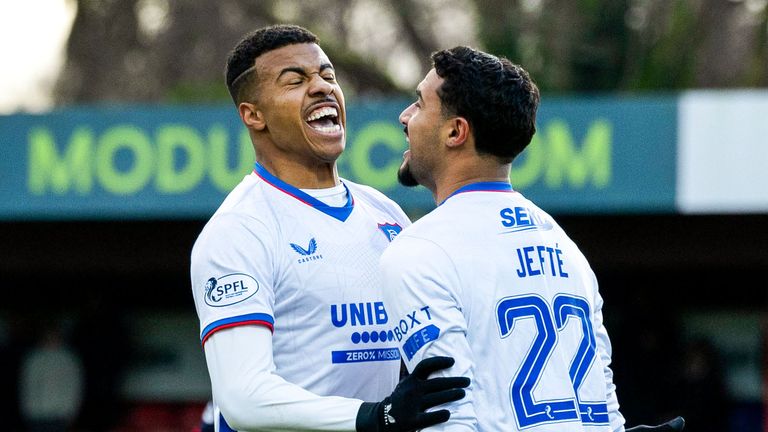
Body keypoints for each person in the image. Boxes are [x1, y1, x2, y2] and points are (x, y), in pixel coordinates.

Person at [380, 46, 683, 431]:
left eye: (419, 104)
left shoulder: (420, 249)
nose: (405, 117)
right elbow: (607, 406)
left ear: (456, 131)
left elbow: (448, 418)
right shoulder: (565, 246)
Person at [190, 24, 468, 432]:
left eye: (327, 75)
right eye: (295, 80)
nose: (321, 87)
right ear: (253, 115)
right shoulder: (238, 231)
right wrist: (375, 416)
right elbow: (243, 399)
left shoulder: (386, 213)